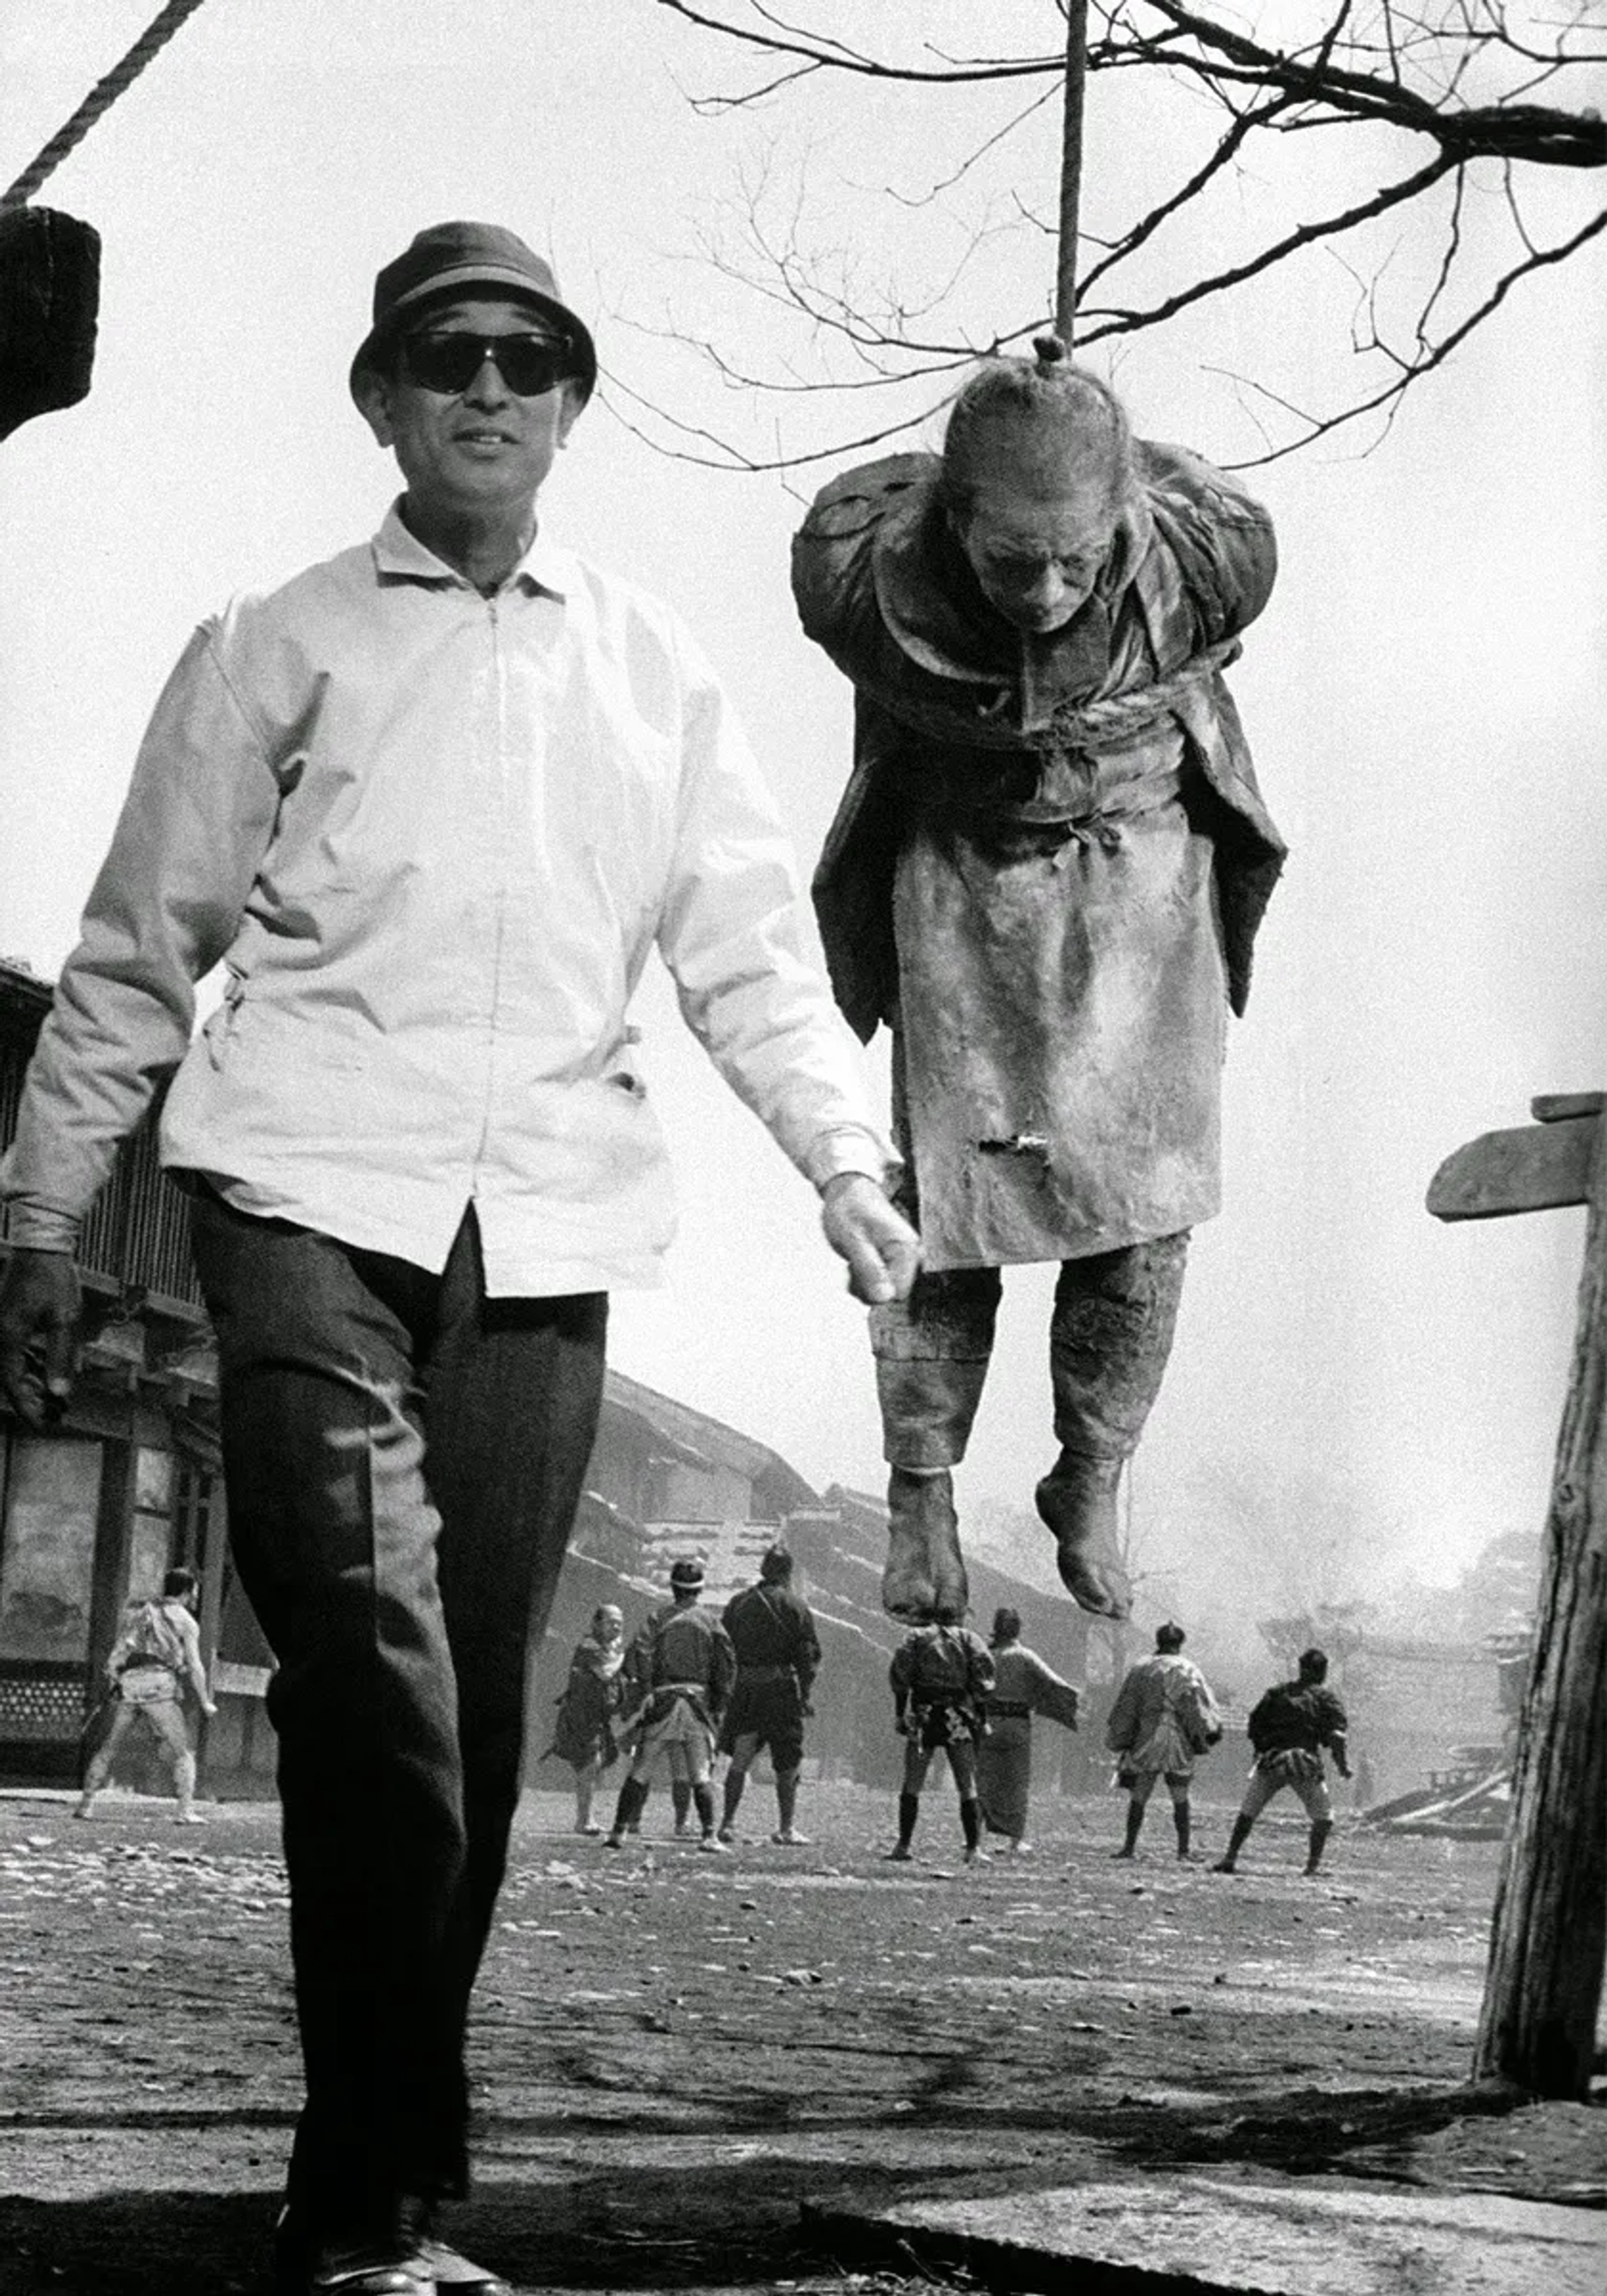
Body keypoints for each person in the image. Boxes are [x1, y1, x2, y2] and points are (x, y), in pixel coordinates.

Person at [0, 220, 920, 2296]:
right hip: (302, 1197)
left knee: (480, 1722)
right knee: (380, 1676)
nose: (486, 389)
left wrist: (845, 1164)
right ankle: (367, 2187)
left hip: (549, 1229)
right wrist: (48, 1201)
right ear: (383, 400)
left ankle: (390, 2193)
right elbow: (140, 939)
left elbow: (752, 954)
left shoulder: (650, 663)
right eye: (445, 360)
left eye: (525, 358)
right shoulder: (276, 638)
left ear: (569, 400)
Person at [792, 336, 1283, 1627]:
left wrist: (1071, 407)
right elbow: (875, 512)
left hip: (1143, 886)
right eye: (1013, 558)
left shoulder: (1202, 567)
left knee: (1142, 1199)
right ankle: (920, 1487)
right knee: (953, 1202)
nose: (1050, 587)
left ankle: (1095, 1466)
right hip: (963, 884)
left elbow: (1189, 507)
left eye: (1078, 552)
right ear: (953, 520)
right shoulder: (864, 582)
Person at [605, 1557, 735, 1850]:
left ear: (673, 1587)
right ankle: (709, 1835)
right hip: (696, 1704)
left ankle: (618, 1832)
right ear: (699, 1590)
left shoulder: (657, 1619)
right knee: (700, 1773)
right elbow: (726, 1665)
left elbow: (638, 1653)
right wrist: (718, 1704)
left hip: (662, 1701)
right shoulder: (711, 1622)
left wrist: (646, 1689)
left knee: (641, 1769)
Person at [75, 1567, 218, 1825]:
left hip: (130, 1686)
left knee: (109, 1747)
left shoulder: (141, 1613)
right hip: (160, 1687)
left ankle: (86, 1805)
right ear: (187, 1592)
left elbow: (118, 1654)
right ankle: (185, 1811)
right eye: (194, 1591)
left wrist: (116, 1680)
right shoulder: (186, 1622)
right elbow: (196, 1665)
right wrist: (205, 1700)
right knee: (183, 1751)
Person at [1214, 1646, 1352, 1877]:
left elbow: (1255, 1722)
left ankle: (1230, 1857)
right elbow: (1337, 1736)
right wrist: (1342, 1766)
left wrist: (1260, 1749)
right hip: (1303, 1762)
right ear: (1323, 1672)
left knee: (1249, 1810)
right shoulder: (1325, 1699)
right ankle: (1312, 1866)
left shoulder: (1276, 1693)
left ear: (1300, 1668)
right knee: (1324, 1816)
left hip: (1273, 1760)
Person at [718, 1544, 822, 1845]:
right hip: (781, 1692)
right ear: (787, 1573)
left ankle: (727, 1823)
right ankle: (786, 1828)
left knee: (741, 1757)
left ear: (763, 1570)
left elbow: (725, 1650)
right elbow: (808, 1658)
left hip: (747, 1690)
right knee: (787, 1762)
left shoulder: (738, 1604)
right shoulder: (796, 1607)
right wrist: (805, 1696)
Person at [1105, 1621, 1221, 1862]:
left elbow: (1127, 1706)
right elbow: (1200, 1708)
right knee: (1180, 1795)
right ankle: (1183, 1850)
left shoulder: (1142, 1668)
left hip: (1147, 1738)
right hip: (1177, 1740)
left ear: (1158, 1641)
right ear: (1180, 1643)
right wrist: (1206, 1733)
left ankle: (1129, 1847)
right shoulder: (1189, 1669)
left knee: (1140, 1794)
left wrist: (1122, 1738)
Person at [885, 1615, 996, 1867]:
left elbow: (901, 1677)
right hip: (956, 1714)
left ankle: (903, 1845)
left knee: (912, 1782)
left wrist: (899, 1714)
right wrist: (982, 1717)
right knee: (967, 1784)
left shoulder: (916, 1637)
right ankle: (973, 1848)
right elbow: (983, 1680)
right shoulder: (969, 1639)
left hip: (924, 1713)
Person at [974, 1605, 1081, 1855]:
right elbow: (1054, 1683)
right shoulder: (1025, 1656)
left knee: (982, 1782)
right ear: (1017, 1629)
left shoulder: (984, 1656)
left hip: (987, 1722)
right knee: (1017, 1782)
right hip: (1017, 1725)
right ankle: (1015, 1839)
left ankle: (975, 1838)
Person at [546, 1603, 626, 1834]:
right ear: (597, 1623)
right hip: (582, 1718)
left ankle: (586, 1817)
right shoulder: (589, 1646)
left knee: (596, 1764)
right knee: (589, 1767)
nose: (617, 1627)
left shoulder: (605, 1648)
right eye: (611, 1622)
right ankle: (583, 1821)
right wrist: (622, 1656)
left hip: (596, 1718)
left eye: (620, 1623)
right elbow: (606, 1673)